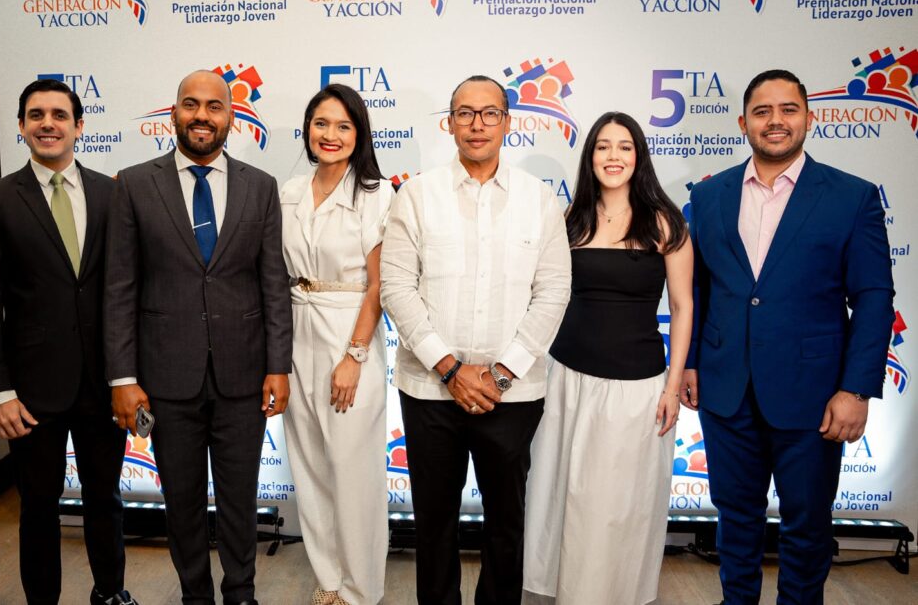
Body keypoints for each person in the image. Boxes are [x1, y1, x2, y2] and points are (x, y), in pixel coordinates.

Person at [681, 69, 895, 605]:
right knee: (735, 519)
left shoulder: (853, 197)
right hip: (726, 390)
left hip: (816, 395)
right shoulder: (709, 198)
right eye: (762, 111)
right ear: (744, 122)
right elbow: (698, 289)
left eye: (788, 109)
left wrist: (856, 390)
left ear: (808, 117)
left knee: (807, 527)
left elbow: (873, 297)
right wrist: (686, 363)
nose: (775, 121)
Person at [380, 75, 571, 605]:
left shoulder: (539, 201)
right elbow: (396, 286)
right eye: (465, 113)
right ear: (450, 122)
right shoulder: (417, 195)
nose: (477, 124)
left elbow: (554, 292)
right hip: (429, 391)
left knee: (507, 523)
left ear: (508, 123)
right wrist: (449, 368)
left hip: (514, 393)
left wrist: (500, 373)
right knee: (434, 522)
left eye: (490, 114)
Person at [103, 70, 292, 605]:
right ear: (174, 112)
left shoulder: (261, 185)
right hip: (165, 378)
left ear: (232, 116)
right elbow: (120, 288)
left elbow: (272, 284)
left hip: (243, 377)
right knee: (181, 500)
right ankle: (194, 595)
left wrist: (279, 365)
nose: (202, 116)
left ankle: (241, 594)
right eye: (192, 104)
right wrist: (123, 376)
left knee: (239, 497)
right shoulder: (136, 183)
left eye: (215, 106)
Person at [0, 79, 136, 605]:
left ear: (79, 126)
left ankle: (111, 593)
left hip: (104, 383)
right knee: (38, 504)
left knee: (105, 498)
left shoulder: (113, 193)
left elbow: (126, 290)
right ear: (20, 127)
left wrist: (130, 375)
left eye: (59, 115)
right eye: (35, 115)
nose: (47, 124)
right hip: (30, 391)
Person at [523, 111, 693, 604]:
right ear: (589, 156)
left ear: (638, 156)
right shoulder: (569, 219)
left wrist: (671, 387)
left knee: (615, 506)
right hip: (565, 380)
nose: (613, 156)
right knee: (562, 496)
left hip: (636, 388)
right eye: (602, 146)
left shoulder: (665, 222)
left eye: (624, 146)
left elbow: (682, 309)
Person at [279, 84, 393, 605]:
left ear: (359, 134)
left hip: (350, 330)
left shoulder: (375, 192)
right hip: (297, 329)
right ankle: (329, 581)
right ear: (307, 128)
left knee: (353, 470)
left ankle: (361, 588)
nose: (331, 135)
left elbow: (379, 285)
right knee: (309, 464)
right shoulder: (289, 190)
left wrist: (355, 357)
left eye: (343, 126)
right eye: (322, 123)